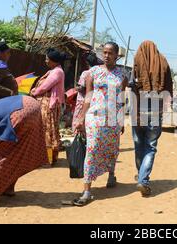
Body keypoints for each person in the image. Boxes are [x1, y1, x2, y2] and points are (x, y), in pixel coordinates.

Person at [74, 42, 128, 206]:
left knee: (112, 147)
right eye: (104, 52)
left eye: (110, 53)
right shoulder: (93, 72)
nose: (106, 55)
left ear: (116, 55)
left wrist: (121, 120)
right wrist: (81, 118)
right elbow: (88, 96)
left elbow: (121, 99)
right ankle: (87, 190)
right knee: (92, 149)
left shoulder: (122, 75)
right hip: (94, 117)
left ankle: (111, 174)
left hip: (112, 119)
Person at [131, 40, 172, 197]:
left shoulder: (137, 60)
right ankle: (143, 179)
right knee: (150, 146)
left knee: (138, 144)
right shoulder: (163, 62)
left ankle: (141, 175)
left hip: (138, 109)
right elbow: (169, 87)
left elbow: (132, 87)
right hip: (156, 109)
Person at [31, 48, 66, 166]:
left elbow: (45, 87)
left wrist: (34, 92)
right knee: (49, 130)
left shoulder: (57, 72)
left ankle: (48, 159)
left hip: (49, 105)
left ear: (53, 61)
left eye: (47, 59)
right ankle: (51, 158)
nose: (45, 61)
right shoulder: (54, 70)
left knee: (48, 131)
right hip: (47, 104)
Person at [72, 53, 101, 134]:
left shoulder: (86, 73)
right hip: (94, 102)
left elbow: (81, 88)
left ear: (87, 62)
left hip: (83, 101)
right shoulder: (98, 73)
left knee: (79, 120)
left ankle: (78, 139)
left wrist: (76, 88)